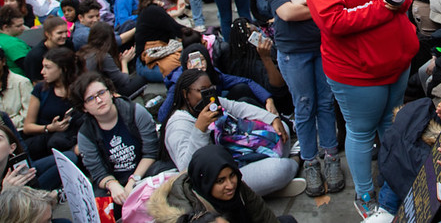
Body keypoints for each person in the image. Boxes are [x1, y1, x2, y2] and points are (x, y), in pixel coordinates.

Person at [305, 0, 418, 217]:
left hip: (398, 61)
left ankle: (393, 182)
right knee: (361, 131)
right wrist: (383, 7)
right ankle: (365, 197)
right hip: (358, 72)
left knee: (390, 126)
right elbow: (333, 22)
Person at [261, 0, 341, 197]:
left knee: (325, 103)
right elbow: (283, 12)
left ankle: (330, 156)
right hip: (292, 48)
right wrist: (315, 3)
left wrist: (300, 1)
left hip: (322, 43)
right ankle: (310, 160)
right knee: (304, 106)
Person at [161, 69, 299, 197]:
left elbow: (238, 108)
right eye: (202, 91)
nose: (208, 95)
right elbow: (187, 170)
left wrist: (273, 118)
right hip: (218, 180)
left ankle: (269, 179)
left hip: (236, 154)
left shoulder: (210, 102)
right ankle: (295, 159)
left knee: (282, 130)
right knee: (279, 169)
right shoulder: (178, 125)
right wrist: (200, 129)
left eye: (211, 89)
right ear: (186, 94)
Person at [71, 72, 159, 206]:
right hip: (115, 180)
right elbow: (97, 172)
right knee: (97, 204)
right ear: (84, 108)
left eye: (101, 93)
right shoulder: (85, 134)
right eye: (90, 99)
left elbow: (151, 152)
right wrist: (112, 184)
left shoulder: (135, 112)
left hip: (144, 170)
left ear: (111, 93)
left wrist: (133, 180)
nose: (99, 100)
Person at [148, 145, 287, 223]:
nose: (230, 185)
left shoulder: (237, 187)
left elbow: (263, 215)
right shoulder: (188, 213)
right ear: (206, 182)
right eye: (220, 181)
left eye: (232, 175)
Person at [157, 42, 275, 124]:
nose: (199, 64)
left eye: (202, 59)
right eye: (191, 61)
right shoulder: (178, 82)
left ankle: (274, 119)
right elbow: (162, 116)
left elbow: (246, 81)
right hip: (195, 122)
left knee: (241, 90)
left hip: (216, 111)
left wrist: (268, 99)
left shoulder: (214, 74)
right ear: (185, 65)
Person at [22, 48, 84, 160]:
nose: (42, 72)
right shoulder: (40, 89)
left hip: (72, 140)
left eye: (48, 67)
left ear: (63, 69)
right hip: (44, 144)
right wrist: (49, 128)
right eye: (43, 66)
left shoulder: (80, 88)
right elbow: (28, 127)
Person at [134, 0, 187, 83]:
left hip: (145, 63)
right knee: (188, 66)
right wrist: (202, 36)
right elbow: (177, 29)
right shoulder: (153, 10)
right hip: (148, 65)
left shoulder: (146, 10)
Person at [78, 22, 145, 98]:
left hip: (87, 91)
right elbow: (123, 81)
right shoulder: (103, 56)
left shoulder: (83, 51)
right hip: (102, 93)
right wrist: (124, 62)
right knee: (140, 79)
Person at [24, 16, 70, 83]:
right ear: (48, 34)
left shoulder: (68, 44)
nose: (64, 36)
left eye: (66, 32)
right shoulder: (36, 55)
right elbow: (35, 82)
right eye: (60, 33)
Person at [0, 49, 32, 129]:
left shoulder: (22, 82)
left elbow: (29, 114)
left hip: (18, 130)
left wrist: (5, 124)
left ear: (3, 61)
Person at [0, 6, 29, 76]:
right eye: (18, 26)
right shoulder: (13, 44)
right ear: (5, 27)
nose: (23, 28)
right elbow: (29, 67)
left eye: (23, 24)